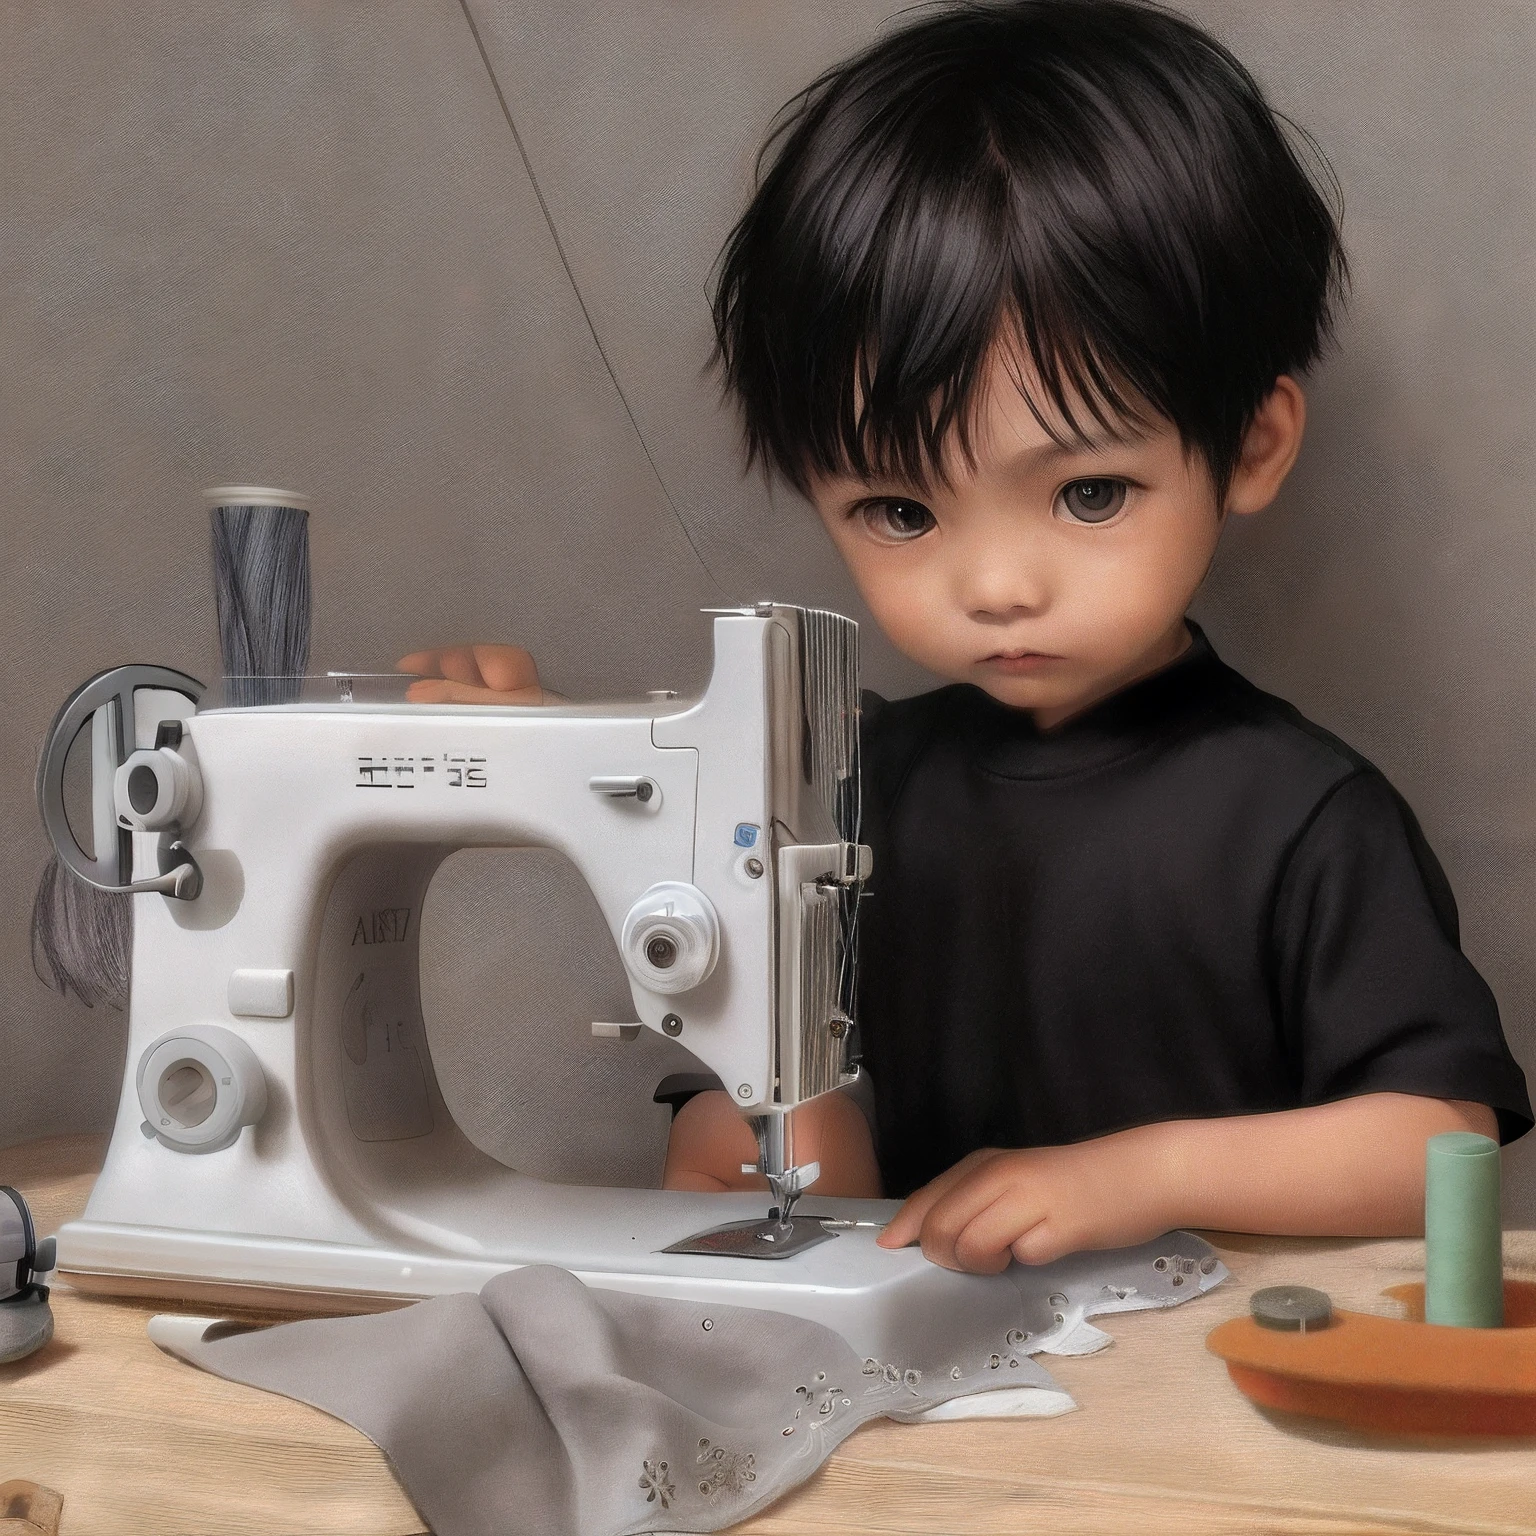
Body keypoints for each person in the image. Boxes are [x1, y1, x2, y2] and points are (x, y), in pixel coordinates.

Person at [400, 0, 1531, 1275]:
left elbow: (1446, 1152)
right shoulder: (841, 788)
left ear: (1252, 447)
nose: (995, 583)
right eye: (899, 510)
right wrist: (549, 755)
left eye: (1087, 494)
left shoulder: (1305, 817)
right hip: (935, 1407)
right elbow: (755, 1081)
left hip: (1201, 1404)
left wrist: (1134, 1176)